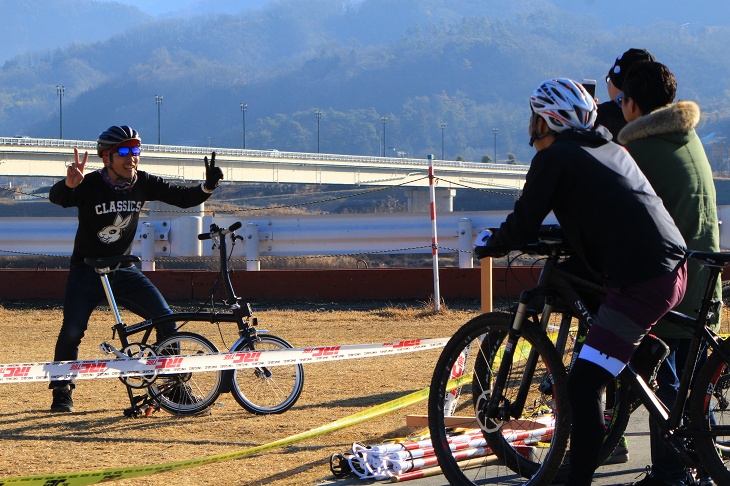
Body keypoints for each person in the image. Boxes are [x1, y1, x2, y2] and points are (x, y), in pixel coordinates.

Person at [474, 78, 688, 486]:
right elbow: (604, 207)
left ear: (547, 120)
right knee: (589, 303)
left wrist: (492, 245)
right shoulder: (608, 148)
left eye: (534, 116)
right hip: (669, 265)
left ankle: (579, 479)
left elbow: (522, 223)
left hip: (642, 279)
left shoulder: (554, 159)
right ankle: (643, 351)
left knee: (583, 384)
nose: (531, 124)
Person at [48, 125, 224, 413]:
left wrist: (207, 187)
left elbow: (181, 198)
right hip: (86, 270)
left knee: (165, 319)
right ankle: (61, 390)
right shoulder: (89, 183)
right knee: (72, 330)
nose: (133, 158)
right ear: (106, 158)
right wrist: (70, 183)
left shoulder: (143, 182)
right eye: (125, 152)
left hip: (123, 269)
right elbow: (60, 198)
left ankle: (172, 387)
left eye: (136, 151)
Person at [619, 61, 720, 486]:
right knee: (695, 384)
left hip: (671, 281)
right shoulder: (686, 135)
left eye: (621, 98)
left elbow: (617, 211)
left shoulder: (639, 149)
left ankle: (673, 473)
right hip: (701, 274)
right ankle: (701, 465)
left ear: (633, 103)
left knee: (667, 381)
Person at [595, 48, 656, 141]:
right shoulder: (664, 120)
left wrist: (587, 113)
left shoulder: (599, 117)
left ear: (618, 85)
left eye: (609, 79)